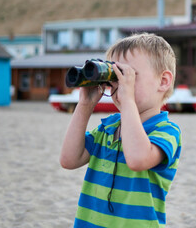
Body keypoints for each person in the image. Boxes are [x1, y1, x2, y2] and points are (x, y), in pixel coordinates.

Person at [60, 33, 182, 228]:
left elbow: (137, 159)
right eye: (113, 77)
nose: (119, 85)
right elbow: (69, 159)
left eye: (128, 76)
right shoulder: (108, 127)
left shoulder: (166, 131)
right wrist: (85, 104)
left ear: (163, 81)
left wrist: (128, 101)